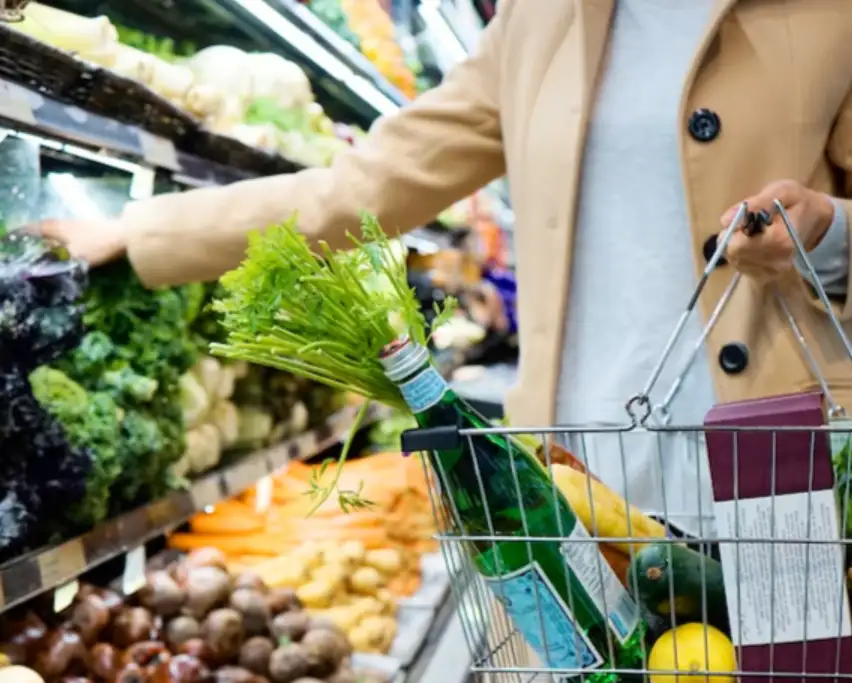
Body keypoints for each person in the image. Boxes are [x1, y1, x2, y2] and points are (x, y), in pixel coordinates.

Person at [39, 0, 852, 532]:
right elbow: (360, 188)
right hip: (579, 474)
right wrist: (142, 230)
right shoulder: (540, 27)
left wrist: (827, 236)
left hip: (785, 464)